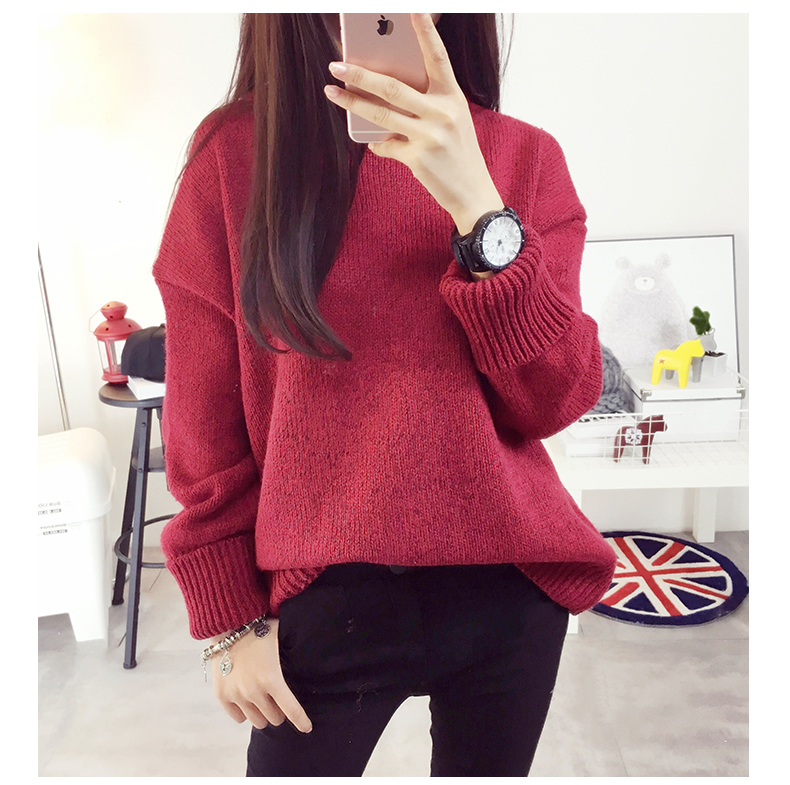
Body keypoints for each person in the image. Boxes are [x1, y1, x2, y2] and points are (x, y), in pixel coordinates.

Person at [152, 12, 617, 777]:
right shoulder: (234, 158)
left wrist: (481, 210)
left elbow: (555, 399)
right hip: (322, 595)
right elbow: (204, 424)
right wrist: (229, 619)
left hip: (508, 589)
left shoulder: (524, 157)